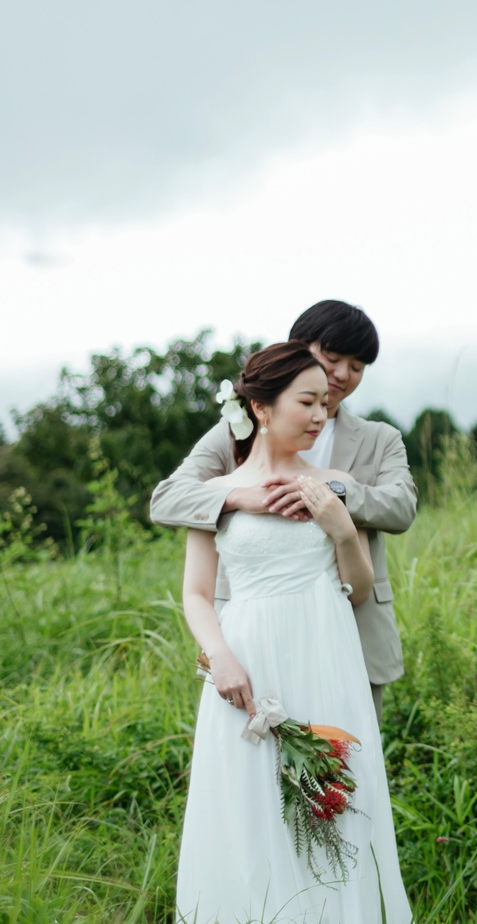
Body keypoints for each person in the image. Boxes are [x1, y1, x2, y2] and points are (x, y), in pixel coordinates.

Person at [174, 342, 412, 919]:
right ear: (260, 407)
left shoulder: (331, 482)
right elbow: (197, 594)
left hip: (326, 655)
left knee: (334, 798)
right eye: (306, 401)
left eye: (324, 404)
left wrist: (341, 527)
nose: (319, 415)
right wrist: (220, 657)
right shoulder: (218, 492)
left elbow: (355, 589)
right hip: (248, 657)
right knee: (250, 803)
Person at [153, 301, 414, 715]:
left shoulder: (379, 438)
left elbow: (401, 507)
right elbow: (167, 498)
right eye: (332, 358)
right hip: (251, 636)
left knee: (345, 768)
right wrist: (241, 497)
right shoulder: (237, 430)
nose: (343, 374)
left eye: (358, 366)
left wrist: (326, 493)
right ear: (296, 350)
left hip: (354, 632)